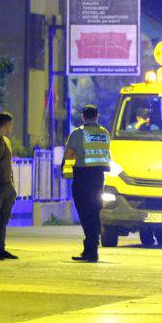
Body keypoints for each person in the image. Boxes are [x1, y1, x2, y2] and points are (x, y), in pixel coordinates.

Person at [64, 105, 112, 263]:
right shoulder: (104, 133)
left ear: (83, 117)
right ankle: (90, 248)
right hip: (98, 177)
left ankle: (91, 249)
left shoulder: (79, 133)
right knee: (94, 212)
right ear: (97, 116)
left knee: (85, 213)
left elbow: (69, 154)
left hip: (83, 177)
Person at [0, 112, 19, 260]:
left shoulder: (6, 140)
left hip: (7, 184)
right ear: (6, 124)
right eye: (10, 124)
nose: (11, 127)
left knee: (3, 218)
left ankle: (1, 247)